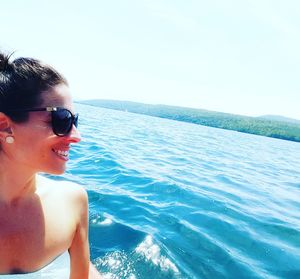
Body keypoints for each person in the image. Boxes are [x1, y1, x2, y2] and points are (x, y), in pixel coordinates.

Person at [0, 52, 102, 278]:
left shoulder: (73, 201)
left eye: (75, 121)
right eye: (62, 120)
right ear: (5, 126)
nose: (76, 136)